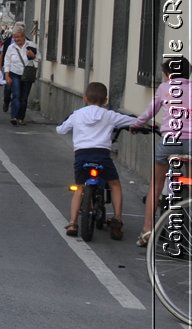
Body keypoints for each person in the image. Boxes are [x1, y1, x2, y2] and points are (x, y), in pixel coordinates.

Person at [57, 81, 138, 240]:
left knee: (79, 188)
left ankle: (73, 222)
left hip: (82, 156)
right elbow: (133, 121)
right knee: (115, 184)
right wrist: (143, 124)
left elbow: (60, 129)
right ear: (105, 100)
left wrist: (68, 122)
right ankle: (117, 219)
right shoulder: (109, 115)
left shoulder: (77, 114)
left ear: (85, 98)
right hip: (102, 156)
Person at [132, 56, 192, 246]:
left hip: (169, 143)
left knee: (156, 186)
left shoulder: (164, 88)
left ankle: (147, 231)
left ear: (168, 74)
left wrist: (136, 125)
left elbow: (149, 112)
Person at [2, 25, 34, 125]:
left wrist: (34, 56)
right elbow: (6, 61)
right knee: (16, 95)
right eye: (14, 37)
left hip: (27, 74)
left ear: (23, 36)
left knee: (24, 98)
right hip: (14, 73)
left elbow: (39, 59)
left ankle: (21, 117)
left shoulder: (31, 45)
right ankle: (14, 116)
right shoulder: (11, 47)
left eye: (18, 37)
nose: (16, 39)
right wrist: (7, 75)